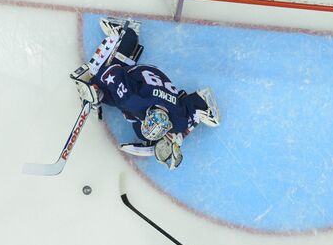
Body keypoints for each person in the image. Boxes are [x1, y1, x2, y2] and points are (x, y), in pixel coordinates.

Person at [70, 17, 221, 169]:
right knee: (97, 75)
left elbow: (198, 100)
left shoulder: (178, 121)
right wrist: (95, 87)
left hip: (157, 82)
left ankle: (129, 41)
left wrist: (183, 131)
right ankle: (125, 33)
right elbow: (111, 71)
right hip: (140, 77)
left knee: (116, 99)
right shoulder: (132, 99)